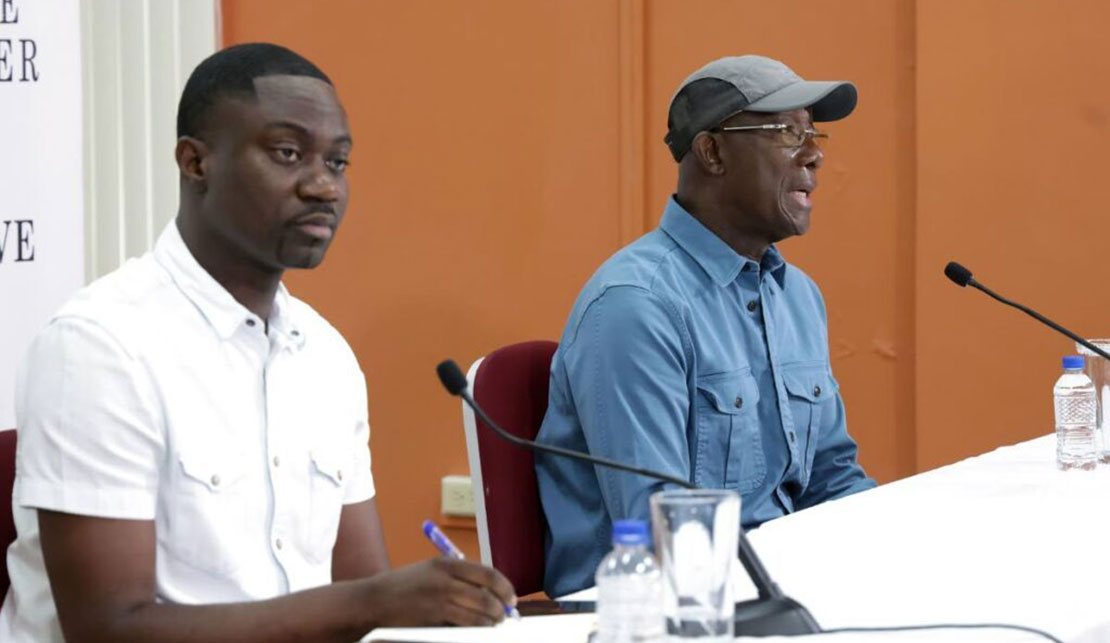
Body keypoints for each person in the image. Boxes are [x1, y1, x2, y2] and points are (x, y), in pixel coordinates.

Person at [0, 43, 515, 643]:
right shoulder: (100, 348)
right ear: (195, 163)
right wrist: (374, 602)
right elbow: (108, 629)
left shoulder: (325, 356)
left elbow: (359, 591)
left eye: (339, 162)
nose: (323, 186)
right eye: (288, 153)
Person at [535, 55, 877, 596]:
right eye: (787, 132)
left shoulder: (797, 297)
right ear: (713, 151)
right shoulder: (637, 306)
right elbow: (659, 532)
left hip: (778, 589)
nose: (813, 155)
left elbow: (832, 478)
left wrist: (894, 548)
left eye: (814, 134)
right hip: (651, 611)